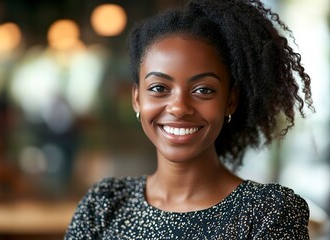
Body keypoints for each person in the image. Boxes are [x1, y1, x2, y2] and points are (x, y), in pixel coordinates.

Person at [65, 0, 313, 238]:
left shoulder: (267, 213)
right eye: (159, 88)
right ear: (137, 98)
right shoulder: (103, 206)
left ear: (230, 101)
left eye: (203, 89)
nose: (179, 107)